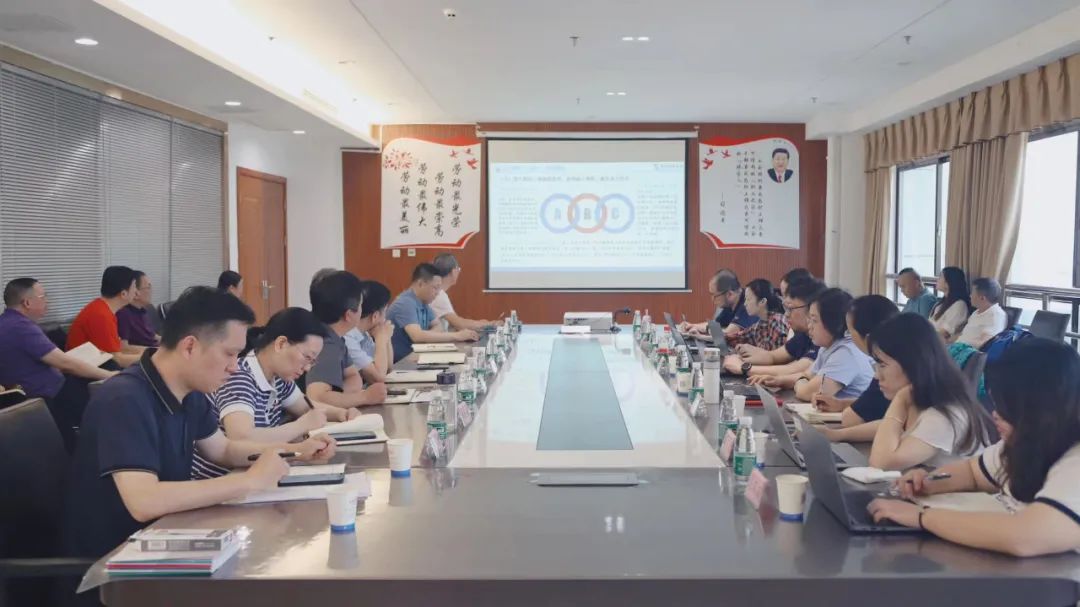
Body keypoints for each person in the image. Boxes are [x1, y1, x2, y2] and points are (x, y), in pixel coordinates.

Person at [65, 286, 336, 557]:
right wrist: (248, 481)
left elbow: (224, 450)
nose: (235, 366)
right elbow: (143, 501)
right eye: (229, 354)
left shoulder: (190, 392)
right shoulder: (124, 399)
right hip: (117, 559)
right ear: (190, 346)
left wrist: (296, 451)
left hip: (167, 536)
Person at [868, 338, 1080, 556]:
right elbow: (972, 473)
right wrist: (929, 482)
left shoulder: (1075, 461)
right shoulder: (1027, 442)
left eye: (1007, 407)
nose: (995, 414)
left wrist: (921, 517)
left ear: (1040, 410)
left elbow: (1026, 537)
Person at [192, 307, 358, 479]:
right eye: (307, 357)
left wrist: (341, 413)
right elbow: (241, 436)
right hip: (221, 479)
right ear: (281, 344)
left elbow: (305, 406)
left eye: (313, 362)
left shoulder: (278, 377)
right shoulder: (239, 376)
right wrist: (300, 426)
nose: (308, 368)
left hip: (254, 472)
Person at [866, 313, 995, 471]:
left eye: (882, 365)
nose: (877, 375)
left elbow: (881, 463)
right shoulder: (926, 400)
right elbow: (889, 428)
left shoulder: (946, 414)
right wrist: (840, 434)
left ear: (913, 363)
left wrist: (899, 401)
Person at [0, 278, 116, 399]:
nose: (47, 301)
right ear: (27, 303)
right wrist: (111, 375)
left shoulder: (7, 321)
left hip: (46, 385)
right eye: (43, 297)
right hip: (48, 395)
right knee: (108, 377)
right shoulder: (22, 328)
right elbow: (65, 364)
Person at [812, 295, 898, 443]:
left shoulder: (890, 367)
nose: (848, 337)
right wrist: (841, 404)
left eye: (850, 332)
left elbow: (851, 419)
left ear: (867, 336)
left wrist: (836, 434)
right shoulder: (890, 360)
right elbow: (881, 409)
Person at [306, 271, 389, 409]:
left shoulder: (337, 338)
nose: (362, 310)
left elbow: (354, 377)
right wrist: (365, 397)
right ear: (349, 315)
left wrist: (339, 396)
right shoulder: (324, 343)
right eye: (361, 305)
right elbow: (317, 398)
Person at [786, 288, 874, 402]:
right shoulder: (827, 347)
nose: (809, 326)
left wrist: (800, 381)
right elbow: (807, 375)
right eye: (809, 320)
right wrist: (794, 380)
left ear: (833, 322)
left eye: (814, 320)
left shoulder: (846, 353)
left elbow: (807, 393)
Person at [386, 263, 478, 363]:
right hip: (400, 363)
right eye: (435, 287)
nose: (438, 293)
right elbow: (417, 336)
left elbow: (439, 326)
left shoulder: (423, 301)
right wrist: (457, 335)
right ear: (420, 284)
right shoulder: (405, 303)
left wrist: (426, 336)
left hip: (416, 357)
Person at [734, 279, 825, 378]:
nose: (786, 314)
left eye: (790, 309)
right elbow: (772, 356)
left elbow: (794, 370)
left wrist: (743, 368)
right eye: (786, 309)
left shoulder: (822, 340)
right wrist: (739, 359)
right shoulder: (803, 335)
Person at [66, 265, 144, 367]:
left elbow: (120, 348)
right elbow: (117, 360)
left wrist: (152, 352)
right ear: (123, 294)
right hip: (84, 371)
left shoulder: (103, 308)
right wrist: (150, 358)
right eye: (134, 287)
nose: (137, 292)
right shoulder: (101, 316)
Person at [680, 269, 758, 337]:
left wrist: (703, 331)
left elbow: (728, 334)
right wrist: (692, 325)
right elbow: (716, 326)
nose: (712, 300)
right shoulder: (729, 304)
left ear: (729, 294)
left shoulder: (748, 303)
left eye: (715, 296)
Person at [344, 280, 395, 383]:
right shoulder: (348, 337)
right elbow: (378, 377)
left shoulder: (364, 333)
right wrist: (381, 339)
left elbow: (388, 368)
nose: (385, 318)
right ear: (375, 316)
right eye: (385, 311)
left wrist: (386, 337)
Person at [430, 253, 493, 331]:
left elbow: (456, 321)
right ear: (454, 271)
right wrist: (490, 324)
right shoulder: (439, 295)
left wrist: (480, 323)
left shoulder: (438, 292)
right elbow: (460, 324)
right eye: (458, 270)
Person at [727, 279, 788, 351]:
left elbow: (774, 356)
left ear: (762, 301)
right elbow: (737, 337)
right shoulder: (759, 324)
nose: (745, 304)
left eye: (748, 299)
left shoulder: (776, 323)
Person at [955, 278, 1008, 349]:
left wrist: (960, 345)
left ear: (982, 298)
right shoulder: (976, 312)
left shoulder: (996, 315)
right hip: (957, 348)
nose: (970, 296)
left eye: (972, 293)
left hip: (967, 352)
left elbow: (984, 343)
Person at [116, 270, 160, 347]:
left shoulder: (142, 310)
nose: (151, 291)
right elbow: (124, 347)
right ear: (136, 293)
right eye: (148, 287)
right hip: (146, 353)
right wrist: (151, 350)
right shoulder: (124, 314)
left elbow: (152, 336)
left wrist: (171, 342)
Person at [929, 266, 972, 341]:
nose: (937, 280)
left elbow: (945, 332)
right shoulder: (940, 303)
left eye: (940, 277)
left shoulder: (959, 305)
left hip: (938, 343)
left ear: (948, 283)